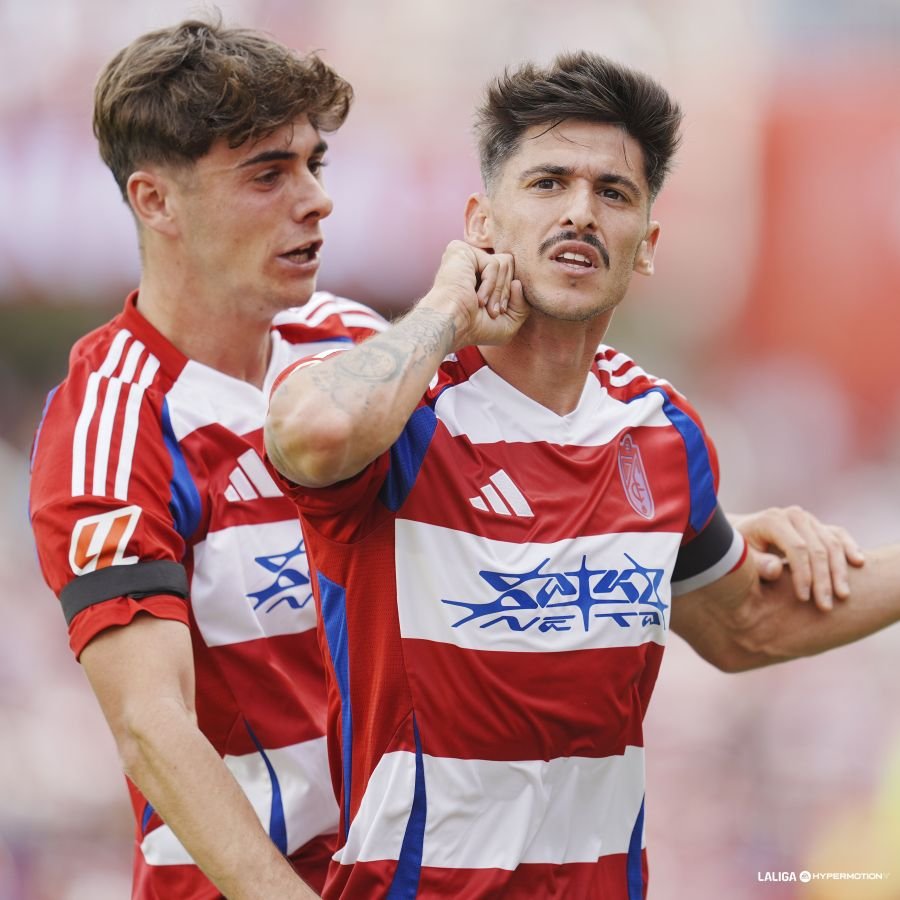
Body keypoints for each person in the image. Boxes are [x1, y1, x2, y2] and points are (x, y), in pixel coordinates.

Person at [264, 53, 900, 898]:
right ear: (482, 222)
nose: (580, 213)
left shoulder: (662, 430)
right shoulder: (403, 408)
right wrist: (448, 310)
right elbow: (311, 435)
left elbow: (744, 625)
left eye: (614, 193)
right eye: (548, 183)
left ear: (646, 245)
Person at [28, 18, 387, 900]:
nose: (315, 199)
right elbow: (153, 730)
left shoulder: (354, 343)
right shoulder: (112, 422)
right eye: (268, 173)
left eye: (315, 164)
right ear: (156, 202)